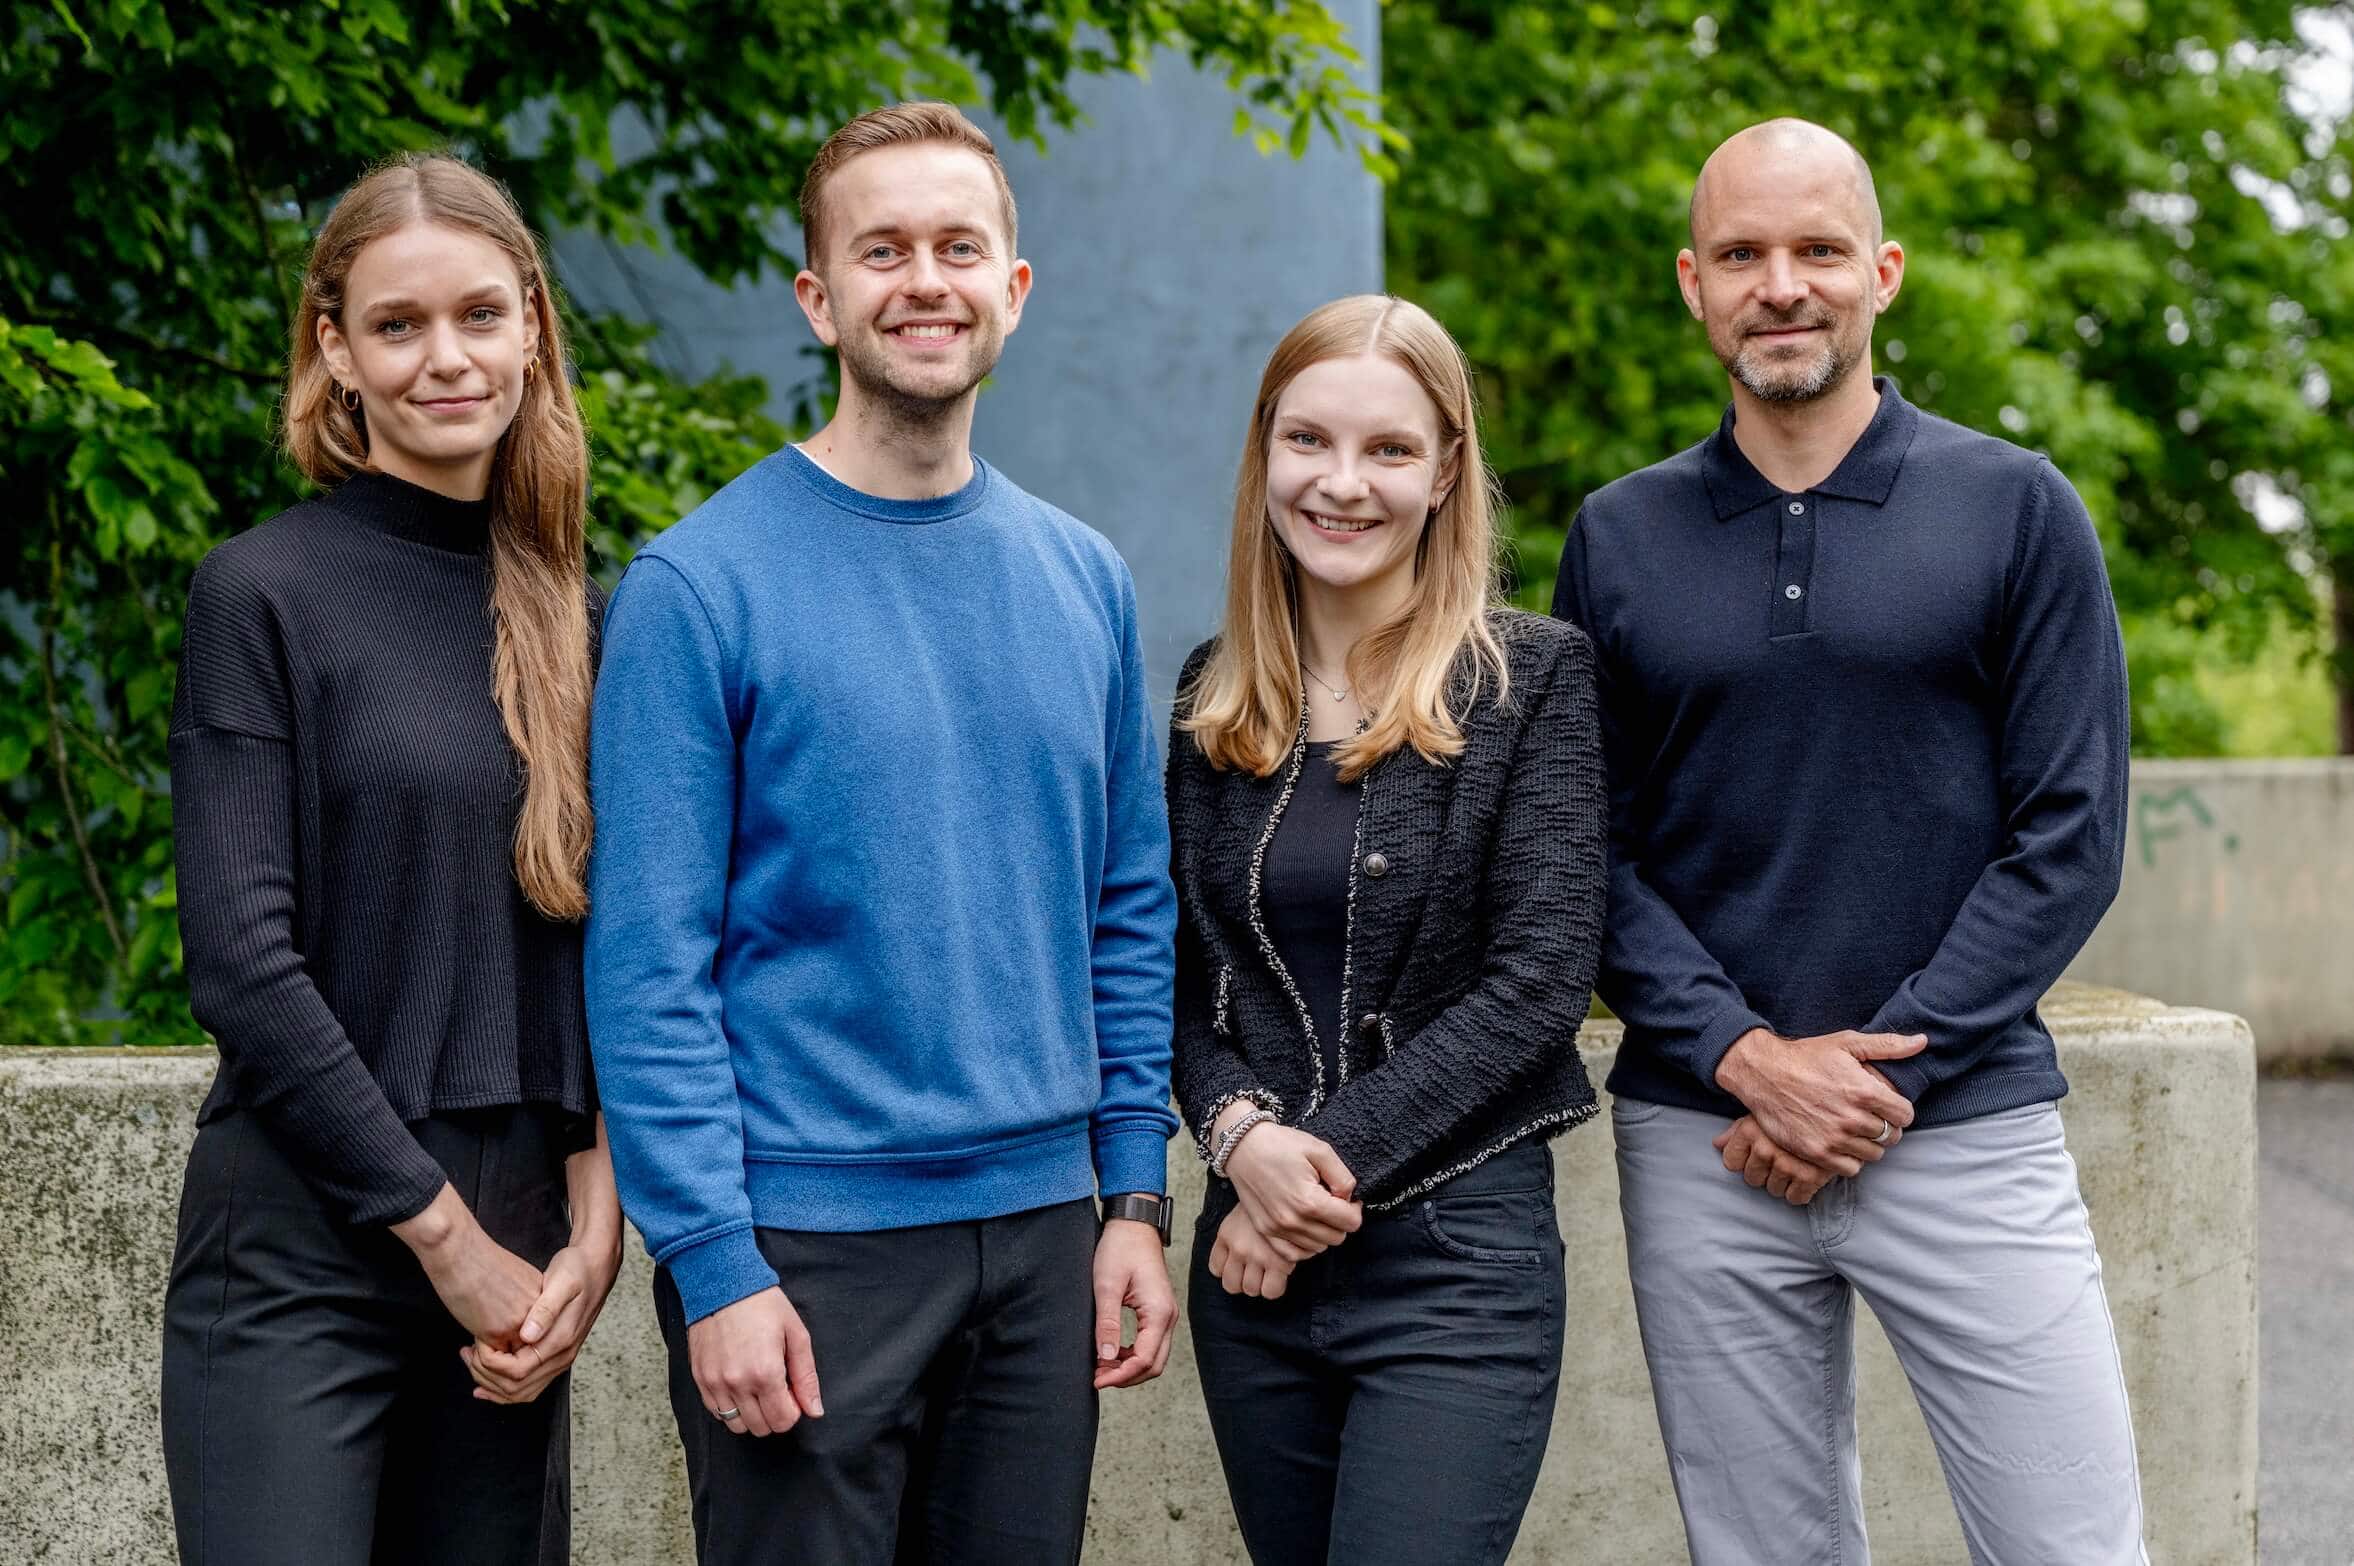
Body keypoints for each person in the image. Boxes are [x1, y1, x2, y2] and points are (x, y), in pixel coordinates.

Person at [584, 101, 1179, 1566]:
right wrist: (713, 1263)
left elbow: (1126, 905)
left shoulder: (1083, 579)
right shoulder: (698, 586)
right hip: (804, 1249)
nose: (926, 280)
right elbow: (648, 964)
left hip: (1044, 1240)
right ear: (819, 296)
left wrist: (1134, 1195)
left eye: (958, 246)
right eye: (883, 250)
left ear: (1014, 289)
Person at [1554, 118, 2146, 1563]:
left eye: (1817, 249)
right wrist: (1748, 1060)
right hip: (1705, 1135)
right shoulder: (1617, 535)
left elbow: (2066, 833)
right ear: (1691, 284)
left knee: (2073, 1548)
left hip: (1963, 1126)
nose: (1782, 284)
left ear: (1880, 272)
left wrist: (1883, 1074)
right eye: (1743, 254)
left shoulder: (2016, 508)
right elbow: (1584, 846)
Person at [161, 153, 621, 1565]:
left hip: (525, 1253)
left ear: (533, 326)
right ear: (336, 350)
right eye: (399, 325)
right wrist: (445, 1238)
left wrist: (593, 1230)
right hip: (304, 1253)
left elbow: (603, 947)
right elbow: (243, 962)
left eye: (480, 316)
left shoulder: (588, 613)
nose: (446, 359)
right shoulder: (261, 593)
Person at [1169, 293, 1607, 1566]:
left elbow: (1538, 986)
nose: (1342, 484)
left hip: (1454, 1267)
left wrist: (1300, 1171)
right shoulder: (1214, 692)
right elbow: (1174, 978)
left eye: (1388, 450)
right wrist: (1239, 1141)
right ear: (1264, 458)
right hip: (1253, 1277)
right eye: (1307, 443)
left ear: (1446, 469)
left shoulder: (1531, 681)